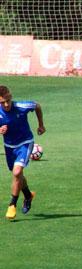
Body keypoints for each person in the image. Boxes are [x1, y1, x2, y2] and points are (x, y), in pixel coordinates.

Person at [0, 86, 45, 220]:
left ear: (11, 96)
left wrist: (41, 125)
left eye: (8, 100)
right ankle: (28, 195)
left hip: (25, 143)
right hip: (9, 147)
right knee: (18, 175)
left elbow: (37, 106)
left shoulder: (22, 106)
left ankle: (12, 205)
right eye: (2, 102)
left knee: (17, 172)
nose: (6, 104)